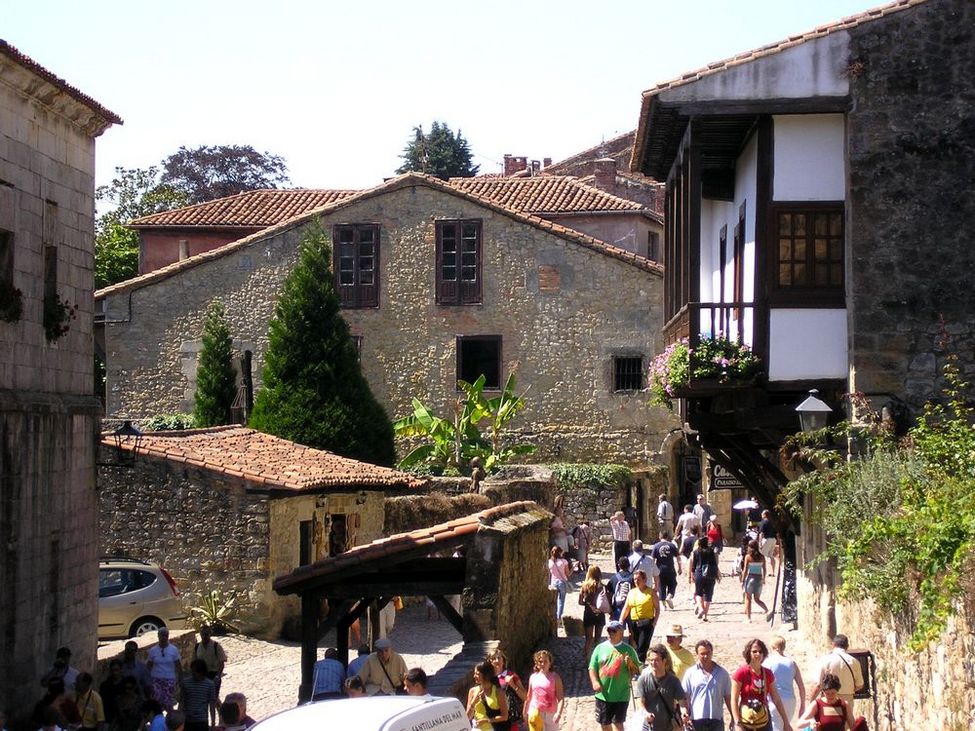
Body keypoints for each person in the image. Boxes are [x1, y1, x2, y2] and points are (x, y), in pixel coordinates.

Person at [588, 620, 641, 731]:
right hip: (603, 695)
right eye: (608, 630)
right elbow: (592, 667)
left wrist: (631, 664)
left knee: (618, 724)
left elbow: (638, 671)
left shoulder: (629, 650)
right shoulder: (599, 648)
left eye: (613, 631)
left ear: (621, 633)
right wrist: (595, 682)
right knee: (605, 723)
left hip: (621, 694)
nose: (610, 633)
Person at [731, 639, 793, 731]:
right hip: (746, 720)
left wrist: (786, 722)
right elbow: (734, 699)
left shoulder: (768, 673)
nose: (758, 654)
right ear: (749, 653)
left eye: (760, 651)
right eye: (754, 651)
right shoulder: (741, 672)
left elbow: (776, 699)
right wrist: (737, 723)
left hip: (763, 719)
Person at [682, 639, 733, 731]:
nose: (705, 656)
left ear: (712, 652)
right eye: (702, 653)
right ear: (697, 654)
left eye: (708, 653)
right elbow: (685, 696)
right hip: (696, 719)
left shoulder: (722, 673)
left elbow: (728, 697)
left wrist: (733, 717)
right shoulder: (690, 673)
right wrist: (685, 712)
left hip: (716, 719)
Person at [637, 644, 689, 731]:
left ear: (664, 661)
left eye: (657, 660)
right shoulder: (643, 680)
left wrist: (684, 712)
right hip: (649, 726)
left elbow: (682, 702)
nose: (653, 663)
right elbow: (640, 701)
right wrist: (645, 713)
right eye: (651, 660)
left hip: (668, 726)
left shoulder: (673, 681)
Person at [807, 635, 864, 714]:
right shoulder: (854, 661)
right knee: (845, 724)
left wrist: (811, 702)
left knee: (828, 723)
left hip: (828, 698)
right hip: (847, 700)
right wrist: (848, 690)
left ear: (833, 644)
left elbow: (818, 685)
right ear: (847, 646)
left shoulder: (825, 660)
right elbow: (860, 685)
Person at [764, 636, 805, 731]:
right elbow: (801, 686)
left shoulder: (767, 662)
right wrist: (802, 705)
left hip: (773, 700)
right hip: (790, 700)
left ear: (772, 647)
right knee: (785, 725)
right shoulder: (792, 663)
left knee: (775, 727)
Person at [619, 569, 659, 663]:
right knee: (636, 645)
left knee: (642, 646)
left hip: (646, 622)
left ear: (644, 580)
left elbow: (657, 608)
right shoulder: (632, 592)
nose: (636, 581)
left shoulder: (651, 592)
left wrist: (654, 623)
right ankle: (638, 665)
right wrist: (621, 620)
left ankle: (639, 666)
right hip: (634, 623)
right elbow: (626, 608)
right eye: (635, 579)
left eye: (638, 579)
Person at [466, 660, 510, 731]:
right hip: (476, 729)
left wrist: (486, 720)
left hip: (493, 728)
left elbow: (505, 716)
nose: (474, 676)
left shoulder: (498, 692)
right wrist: (473, 704)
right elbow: (468, 717)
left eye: (477, 674)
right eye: (474, 674)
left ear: (486, 675)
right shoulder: (472, 691)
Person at [488, 650, 526, 731]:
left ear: (503, 660)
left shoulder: (511, 675)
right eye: (493, 658)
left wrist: (512, 685)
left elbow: (525, 697)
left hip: (509, 719)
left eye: (499, 658)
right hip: (492, 718)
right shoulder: (487, 678)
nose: (497, 660)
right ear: (489, 662)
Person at [147, 628, 182, 713]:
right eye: (161, 636)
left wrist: (180, 678)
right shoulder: (153, 650)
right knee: (157, 701)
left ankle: (171, 721)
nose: (163, 638)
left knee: (168, 702)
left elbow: (178, 665)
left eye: (165, 635)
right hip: (156, 680)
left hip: (169, 680)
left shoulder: (173, 650)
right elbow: (149, 666)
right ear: (158, 636)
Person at [192, 625, 226, 713]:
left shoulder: (216, 646)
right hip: (202, 676)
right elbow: (194, 663)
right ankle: (220, 713)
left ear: (210, 634)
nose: (204, 636)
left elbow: (221, 662)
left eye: (206, 634)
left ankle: (219, 717)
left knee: (213, 699)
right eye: (203, 634)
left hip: (214, 675)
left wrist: (218, 676)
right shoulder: (197, 647)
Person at [578, 565, 609, 661]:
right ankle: (597, 659)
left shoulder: (584, 586)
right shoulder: (603, 587)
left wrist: (588, 605)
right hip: (600, 614)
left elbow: (580, 602)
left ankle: (587, 659)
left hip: (588, 614)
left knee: (588, 639)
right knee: (597, 639)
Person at [178, 660, 216, 731]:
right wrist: (178, 717)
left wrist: (213, 722)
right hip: (187, 719)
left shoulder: (210, 685)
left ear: (202, 672)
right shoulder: (186, 683)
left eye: (195, 672)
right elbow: (182, 701)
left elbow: (212, 704)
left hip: (201, 720)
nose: (193, 674)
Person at [690, 536, 721, 621]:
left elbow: (694, 565)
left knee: (699, 593)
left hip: (699, 573)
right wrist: (717, 574)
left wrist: (692, 575)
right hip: (710, 574)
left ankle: (701, 609)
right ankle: (705, 616)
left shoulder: (696, 552)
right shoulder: (711, 551)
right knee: (708, 595)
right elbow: (714, 564)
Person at [740, 540, 769, 622]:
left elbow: (745, 570)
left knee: (748, 599)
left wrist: (742, 580)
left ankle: (748, 618)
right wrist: (763, 578)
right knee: (757, 599)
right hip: (759, 579)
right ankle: (767, 610)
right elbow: (764, 569)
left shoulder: (748, 557)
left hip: (751, 578)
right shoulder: (762, 557)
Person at [652, 531, 681, 610]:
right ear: (667, 537)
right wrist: (680, 567)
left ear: (660, 536)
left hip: (660, 569)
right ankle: (670, 596)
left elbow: (653, 560)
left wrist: (653, 570)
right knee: (673, 583)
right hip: (670, 568)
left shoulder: (656, 546)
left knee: (661, 586)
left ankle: (663, 604)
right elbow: (678, 557)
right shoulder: (672, 545)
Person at [99, 660, 126, 727]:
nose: (115, 673)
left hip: (123, 720)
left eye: (116, 670)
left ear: (121, 670)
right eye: (113, 670)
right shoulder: (105, 685)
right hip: (108, 718)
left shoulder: (126, 685)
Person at [547, 546, 570, 621]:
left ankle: (553, 616)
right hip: (562, 582)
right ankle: (559, 618)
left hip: (553, 582)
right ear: (560, 552)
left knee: (554, 600)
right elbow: (568, 574)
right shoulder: (564, 562)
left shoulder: (550, 562)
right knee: (561, 601)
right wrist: (573, 568)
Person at [606, 556, 633, 621]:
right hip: (631, 607)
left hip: (617, 607)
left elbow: (609, 594)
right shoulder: (633, 577)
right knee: (632, 630)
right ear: (629, 565)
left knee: (618, 629)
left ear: (619, 565)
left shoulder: (614, 578)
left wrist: (610, 609)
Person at [758, 510, 779, 575]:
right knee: (771, 556)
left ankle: (764, 571)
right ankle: (772, 572)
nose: (761, 514)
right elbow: (777, 532)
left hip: (767, 539)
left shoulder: (763, 522)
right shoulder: (773, 522)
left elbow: (761, 533)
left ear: (765, 515)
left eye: (762, 513)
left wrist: (760, 542)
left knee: (763, 555)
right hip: (773, 540)